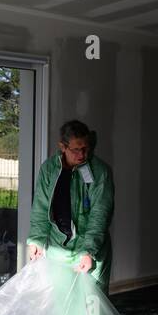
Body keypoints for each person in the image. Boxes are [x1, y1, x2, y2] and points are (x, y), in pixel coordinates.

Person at [26, 119, 115, 289]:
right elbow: (40, 207)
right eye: (76, 150)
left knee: (92, 307)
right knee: (62, 305)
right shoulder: (49, 169)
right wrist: (36, 240)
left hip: (90, 249)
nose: (82, 155)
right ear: (62, 147)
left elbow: (100, 214)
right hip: (58, 249)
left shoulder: (100, 172)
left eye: (85, 149)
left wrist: (89, 252)